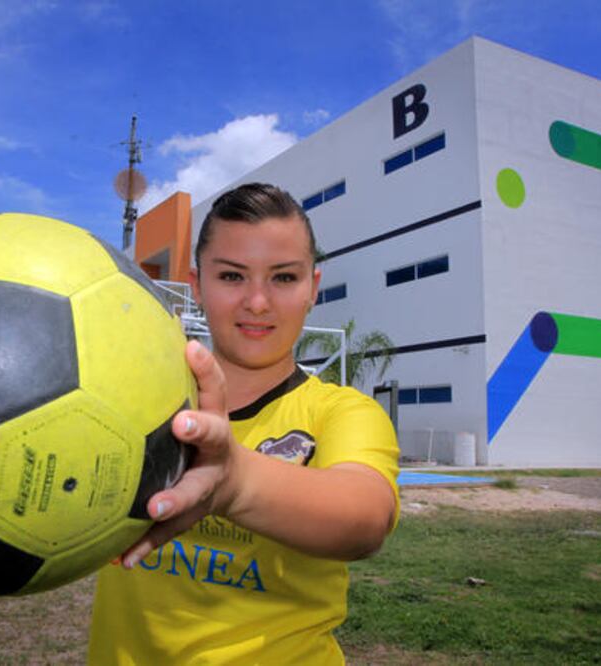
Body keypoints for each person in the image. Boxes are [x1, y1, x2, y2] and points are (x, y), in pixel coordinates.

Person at [88, 183, 400, 664]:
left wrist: (233, 481)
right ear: (196, 285)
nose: (257, 302)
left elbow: (365, 518)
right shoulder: (131, 401)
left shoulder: (341, 412)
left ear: (313, 288)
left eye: (283, 278)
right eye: (233, 277)